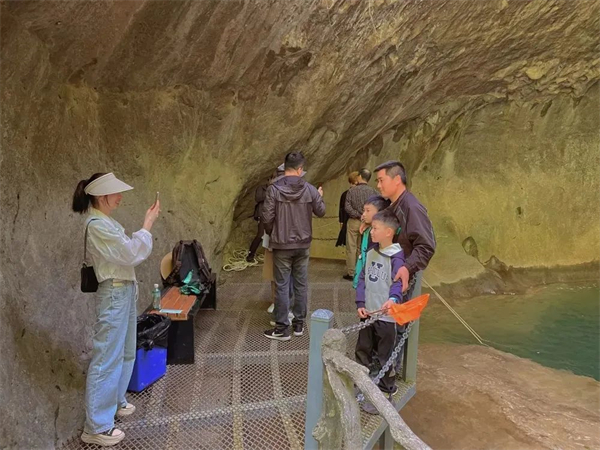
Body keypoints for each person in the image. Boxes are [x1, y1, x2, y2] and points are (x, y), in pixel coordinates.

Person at [72, 172, 160, 446]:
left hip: (123, 291)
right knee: (107, 356)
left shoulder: (106, 221)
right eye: (116, 193)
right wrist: (147, 225)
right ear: (101, 196)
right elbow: (129, 253)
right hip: (113, 293)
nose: (120, 197)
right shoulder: (96, 225)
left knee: (124, 350)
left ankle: (116, 401)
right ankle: (96, 426)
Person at [262, 152, 325, 340]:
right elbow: (321, 211)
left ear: (284, 167)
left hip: (282, 244)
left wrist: (274, 233)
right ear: (300, 169)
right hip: (303, 244)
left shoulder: (273, 189)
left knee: (282, 285)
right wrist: (319, 197)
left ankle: (282, 328)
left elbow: (267, 217)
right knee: (301, 284)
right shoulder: (310, 189)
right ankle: (299, 325)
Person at [354, 209, 404, 414]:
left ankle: (386, 389)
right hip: (368, 312)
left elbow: (398, 283)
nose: (371, 232)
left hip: (387, 316)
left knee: (385, 354)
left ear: (388, 232)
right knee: (363, 348)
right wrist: (360, 303)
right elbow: (363, 278)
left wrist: (393, 299)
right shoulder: (371, 252)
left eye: (375, 228)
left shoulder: (397, 257)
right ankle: (360, 381)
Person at [374, 161, 436, 294]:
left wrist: (407, 268)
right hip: (392, 271)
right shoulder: (392, 204)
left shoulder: (411, 207)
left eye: (381, 180)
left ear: (397, 179)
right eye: (377, 181)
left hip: (405, 277)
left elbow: (426, 245)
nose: (378, 185)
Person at [344, 168, 378, 280]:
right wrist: (365, 217)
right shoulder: (373, 192)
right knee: (362, 247)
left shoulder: (351, 191)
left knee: (351, 247)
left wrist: (358, 215)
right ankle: (360, 271)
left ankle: (351, 272)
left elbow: (347, 207)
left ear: (359, 177)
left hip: (353, 221)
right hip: (367, 223)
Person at [353, 195, 391, 289]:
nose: (363, 214)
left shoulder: (383, 235)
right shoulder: (368, 230)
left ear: (379, 213)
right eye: (364, 210)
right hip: (364, 279)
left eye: (368, 211)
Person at [246, 176, 271, 262]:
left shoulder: (276, 189)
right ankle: (250, 254)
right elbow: (258, 198)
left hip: (272, 214)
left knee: (273, 235)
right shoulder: (261, 188)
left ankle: (271, 256)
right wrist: (270, 193)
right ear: (269, 179)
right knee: (260, 234)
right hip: (262, 213)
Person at [335, 171, 360, 247]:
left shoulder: (345, 194)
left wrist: (341, 223)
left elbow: (341, 210)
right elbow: (342, 209)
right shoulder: (346, 194)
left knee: (352, 247)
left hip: (350, 222)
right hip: (351, 221)